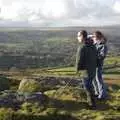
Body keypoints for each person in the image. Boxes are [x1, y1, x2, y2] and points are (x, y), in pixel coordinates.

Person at [76, 30, 97, 109]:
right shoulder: (92, 45)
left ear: (82, 36)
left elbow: (78, 61)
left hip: (85, 72)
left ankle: (92, 104)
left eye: (78, 36)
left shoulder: (82, 47)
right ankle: (91, 101)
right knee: (90, 86)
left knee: (87, 87)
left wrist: (77, 70)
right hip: (92, 70)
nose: (77, 38)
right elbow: (96, 57)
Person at [92, 31, 108, 100]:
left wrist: (94, 56)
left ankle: (102, 95)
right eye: (93, 37)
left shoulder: (103, 45)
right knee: (93, 79)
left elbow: (102, 56)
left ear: (98, 37)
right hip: (93, 65)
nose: (93, 38)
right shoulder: (94, 44)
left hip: (98, 65)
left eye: (94, 37)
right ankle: (97, 92)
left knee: (98, 79)